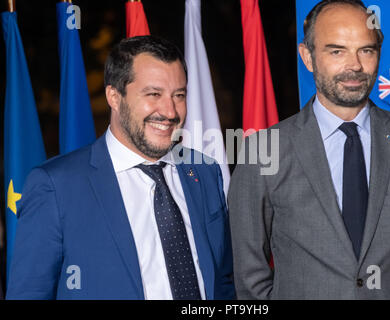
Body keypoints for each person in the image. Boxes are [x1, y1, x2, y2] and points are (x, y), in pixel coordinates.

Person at [228, 0, 390, 299]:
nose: (355, 65)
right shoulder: (263, 150)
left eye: (366, 50)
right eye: (337, 51)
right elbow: (248, 274)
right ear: (307, 57)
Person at [6, 36, 235, 300]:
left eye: (178, 95)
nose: (170, 111)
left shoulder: (204, 172)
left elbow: (223, 280)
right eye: (154, 94)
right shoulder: (56, 186)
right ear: (114, 96)